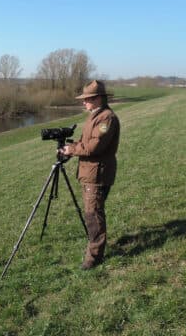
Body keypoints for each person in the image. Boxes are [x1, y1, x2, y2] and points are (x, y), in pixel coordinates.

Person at [60, 80, 120, 270]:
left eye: (87, 99)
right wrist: (72, 147)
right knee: (93, 212)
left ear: (98, 98)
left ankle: (93, 257)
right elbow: (86, 140)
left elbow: (94, 146)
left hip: (97, 174)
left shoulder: (106, 119)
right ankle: (95, 249)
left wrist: (73, 149)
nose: (83, 102)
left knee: (93, 215)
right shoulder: (95, 115)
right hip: (90, 173)